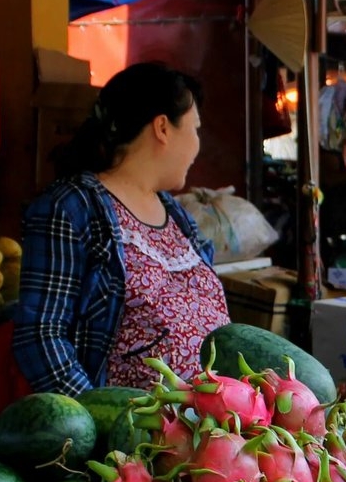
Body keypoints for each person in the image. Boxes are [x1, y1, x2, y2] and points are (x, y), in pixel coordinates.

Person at [13, 61, 227, 395]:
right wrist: (96, 415)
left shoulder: (177, 214)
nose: (197, 145)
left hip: (208, 420)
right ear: (162, 128)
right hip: (130, 425)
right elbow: (40, 336)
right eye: (195, 129)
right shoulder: (71, 208)